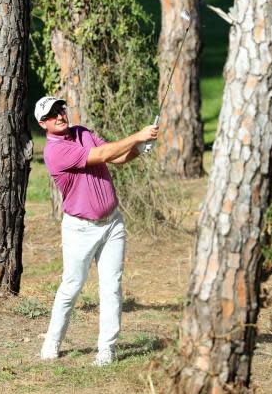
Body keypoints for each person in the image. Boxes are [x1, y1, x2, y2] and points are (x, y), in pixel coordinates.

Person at [35, 96, 158, 366]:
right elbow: (100, 155)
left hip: (112, 223)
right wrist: (137, 134)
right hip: (80, 229)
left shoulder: (83, 133)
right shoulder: (54, 152)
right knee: (71, 287)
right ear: (43, 123)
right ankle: (53, 341)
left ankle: (106, 349)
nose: (60, 116)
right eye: (53, 114)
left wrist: (140, 147)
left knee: (112, 287)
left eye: (61, 110)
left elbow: (115, 157)